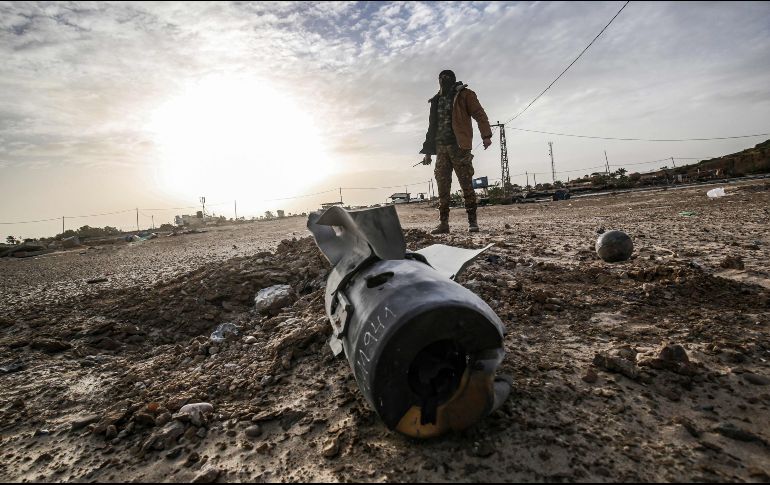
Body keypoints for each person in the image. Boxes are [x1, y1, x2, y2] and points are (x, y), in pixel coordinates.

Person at [419, 69, 493, 234]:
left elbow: (479, 114)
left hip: (459, 147)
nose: (443, 80)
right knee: (442, 187)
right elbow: (432, 128)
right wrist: (428, 152)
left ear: (453, 79)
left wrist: (486, 135)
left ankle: (472, 222)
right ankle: (443, 224)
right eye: (441, 77)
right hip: (441, 149)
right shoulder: (436, 100)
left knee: (466, 184)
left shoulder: (465, 95)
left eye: (447, 77)